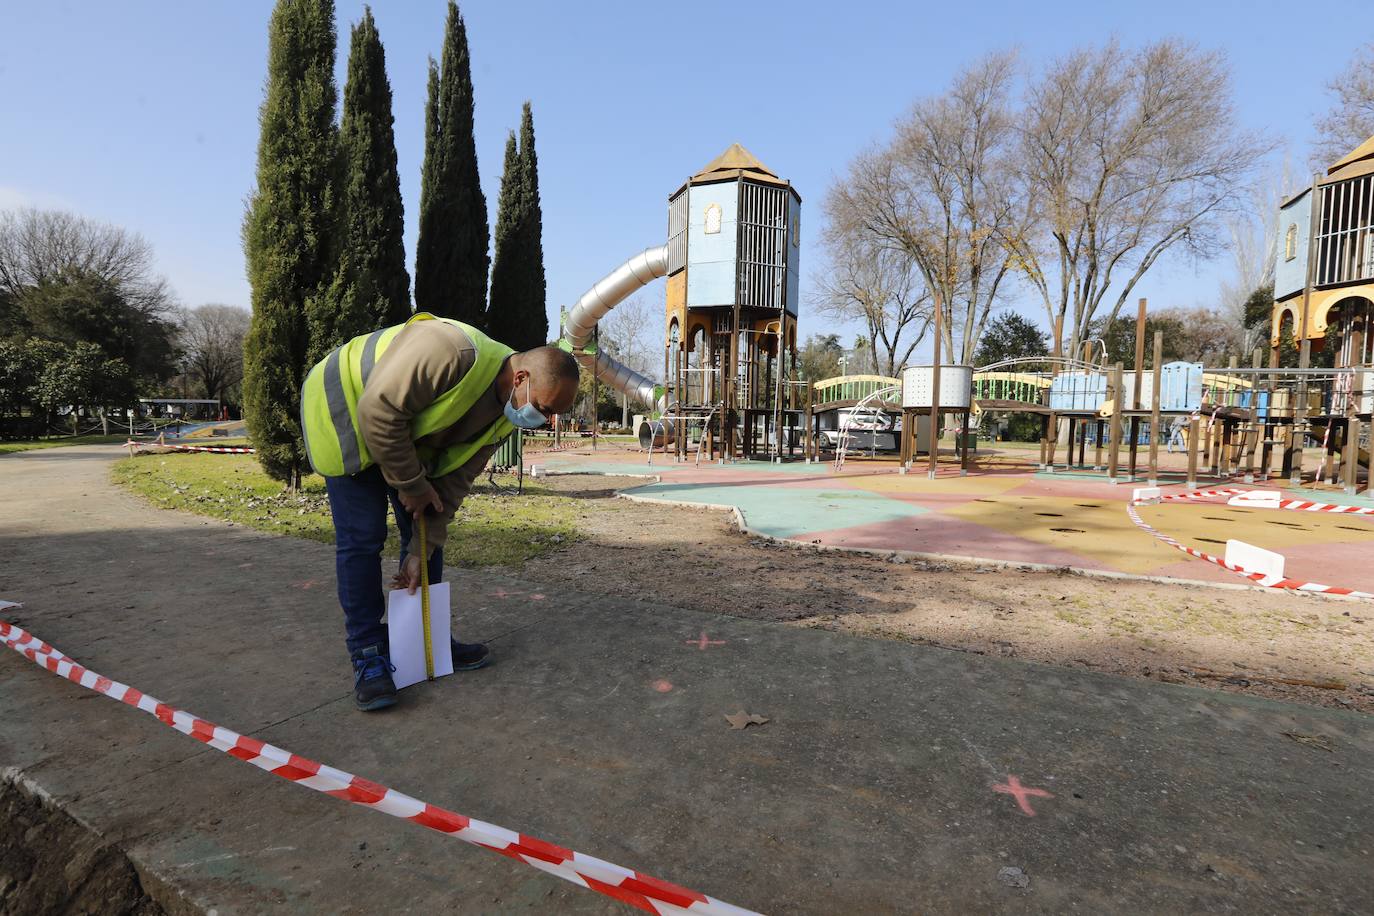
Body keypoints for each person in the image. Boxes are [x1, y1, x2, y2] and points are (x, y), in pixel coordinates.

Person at [300, 313, 580, 711]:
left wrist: (419, 547)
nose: (545, 420)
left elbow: (452, 484)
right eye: (544, 408)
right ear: (521, 379)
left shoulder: (505, 413)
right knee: (362, 538)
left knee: (429, 534)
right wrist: (411, 485)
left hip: (400, 435)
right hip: (346, 408)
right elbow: (377, 413)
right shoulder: (449, 350)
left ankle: (420, 638)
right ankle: (367, 652)